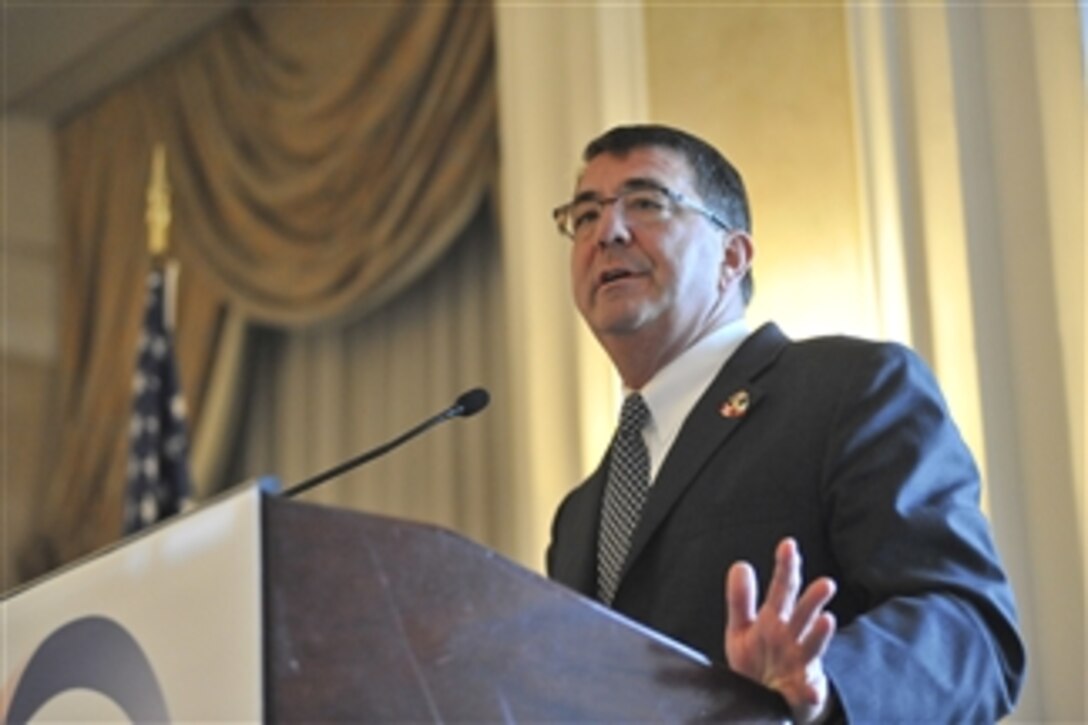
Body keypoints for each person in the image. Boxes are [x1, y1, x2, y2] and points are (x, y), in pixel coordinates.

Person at [546, 124, 1025, 723]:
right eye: (585, 215)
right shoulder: (580, 514)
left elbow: (970, 633)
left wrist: (825, 689)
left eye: (646, 203)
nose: (608, 232)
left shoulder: (848, 388)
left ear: (732, 256)